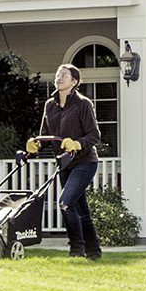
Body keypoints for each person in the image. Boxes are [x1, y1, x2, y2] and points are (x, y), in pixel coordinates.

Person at [32, 63, 102, 259]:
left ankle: (76, 248)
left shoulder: (83, 104)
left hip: (85, 161)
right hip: (64, 164)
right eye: (57, 74)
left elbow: (94, 135)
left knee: (65, 202)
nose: (59, 77)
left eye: (64, 75)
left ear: (74, 81)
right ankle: (94, 251)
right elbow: (46, 136)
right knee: (81, 210)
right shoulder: (50, 105)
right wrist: (35, 144)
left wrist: (77, 144)